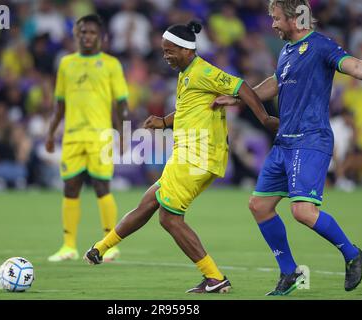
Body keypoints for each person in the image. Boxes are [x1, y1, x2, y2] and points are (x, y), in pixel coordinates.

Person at [84, 21, 278, 293]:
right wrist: (164, 121)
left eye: (170, 51)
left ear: (187, 49)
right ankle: (99, 249)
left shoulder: (203, 71)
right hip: (188, 155)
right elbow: (191, 110)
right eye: (163, 51)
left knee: (169, 218)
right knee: (149, 201)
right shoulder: (186, 74)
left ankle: (214, 277)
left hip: (197, 155)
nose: (166, 56)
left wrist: (265, 118)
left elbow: (241, 86)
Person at [213, 0, 362, 295]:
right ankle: (290, 273)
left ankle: (353, 253)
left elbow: (356, 66)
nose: (273, 24)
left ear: (294, 18)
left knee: (302, 211)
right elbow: (275, 83)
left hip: (310, 139)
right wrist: (240, 98)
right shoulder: (287, 52)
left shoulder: (321, 46)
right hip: (284, 142)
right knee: (259, 206)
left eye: (276, 18)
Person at [46, 14, 129, 262]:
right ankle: (68, 246)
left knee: (102, 186)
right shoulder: (66, 63)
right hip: (72, 135)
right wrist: (50, 133)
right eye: (82, 32)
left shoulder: (111, 64)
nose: (87, 36)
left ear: (101, 37)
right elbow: (59, 104)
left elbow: (122, 103)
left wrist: (123, 131)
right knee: (70, 187)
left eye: (92, 32)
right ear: (76, 34)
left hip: (100, 136)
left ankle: (109, 244)